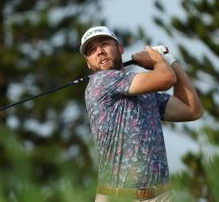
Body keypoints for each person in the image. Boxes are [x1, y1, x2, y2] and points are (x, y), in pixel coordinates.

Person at [79, 26, 203, 201]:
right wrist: (156, 60)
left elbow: (192, 110)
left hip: (161, 195)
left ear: (120, 48)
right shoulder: (100, 82)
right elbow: (166, 78)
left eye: (104, 44)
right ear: (88, 63)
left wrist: (170, 60)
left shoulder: (145, 93)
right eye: (91, 51)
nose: (99, 52)